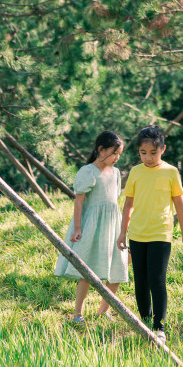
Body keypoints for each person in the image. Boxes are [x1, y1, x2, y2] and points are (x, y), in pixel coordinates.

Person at [117, 125, 183, 345]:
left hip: (161, 233)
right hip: (137, 234)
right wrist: (122, 233)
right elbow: (128, 204)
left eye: (153, 153)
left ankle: (160, 327)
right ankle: (145, 321)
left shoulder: (170, 172)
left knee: (157, 280)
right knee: (140, 281)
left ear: (163, 149)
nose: (148, 158)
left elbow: (179, 204)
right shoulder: (136, 172)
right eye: (143, 153)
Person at [55, 130, 128, 326]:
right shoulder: (87, 172)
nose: (116, 157)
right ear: (100, 149)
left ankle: (103, 311)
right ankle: (77, 314)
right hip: (92, 227)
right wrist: (77, 228)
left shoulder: (115, 173)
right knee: (86, 272)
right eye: (113, 153)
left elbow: (113, 203)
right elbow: (79, 203)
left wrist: (122, 230)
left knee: (118, 268)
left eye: (119, 154)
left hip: (112, 227)